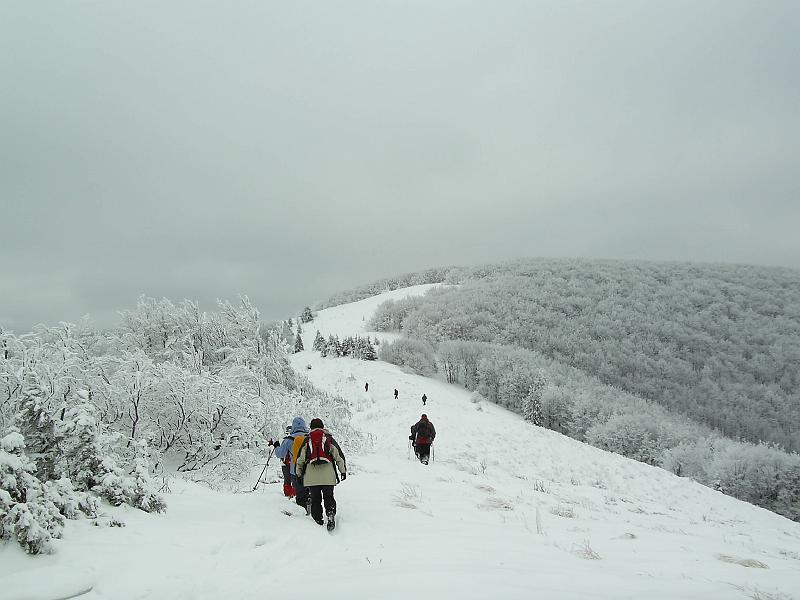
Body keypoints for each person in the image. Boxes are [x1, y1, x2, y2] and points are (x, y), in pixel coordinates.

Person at [296, 418, 347, 530]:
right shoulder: (328, 439)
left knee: (315, 498)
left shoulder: (307, 440)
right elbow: (339, 456)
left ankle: (318, 520)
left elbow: (300, 459)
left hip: (311, 477)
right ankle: (330, 513)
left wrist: (298, 474)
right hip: (328, 476)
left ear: (311, 428)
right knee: (329, 496)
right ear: (323, 427)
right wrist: (343, 471)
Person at [274, 416, 310, 513]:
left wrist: (276, 446)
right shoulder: (309, 437)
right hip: (310, 471)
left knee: (300, 494)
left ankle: (303, 512)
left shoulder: (288, 440)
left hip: (295, 471)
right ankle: (310, 505)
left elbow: (280, 454)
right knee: (309, 491)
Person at [275, 425, 295, 498]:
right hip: (296, 463)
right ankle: (294, 495)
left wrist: (276, 447)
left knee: (287, 480)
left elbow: (280, 454)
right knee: (296, 480)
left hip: (286, 463)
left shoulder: (286, 441)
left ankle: (288, 495)